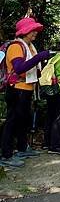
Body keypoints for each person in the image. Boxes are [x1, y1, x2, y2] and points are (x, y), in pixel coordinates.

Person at [0, 17, 50, 168]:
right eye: (33, 30)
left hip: (26, 89)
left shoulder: (29, 46)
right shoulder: (16, 46)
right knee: (12, 121)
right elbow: (20, 68)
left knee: (23, 121)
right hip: (17, 90)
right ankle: (6, 155)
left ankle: (22, 148)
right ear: (25, 31)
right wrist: (39, 57)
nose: (35, 32)